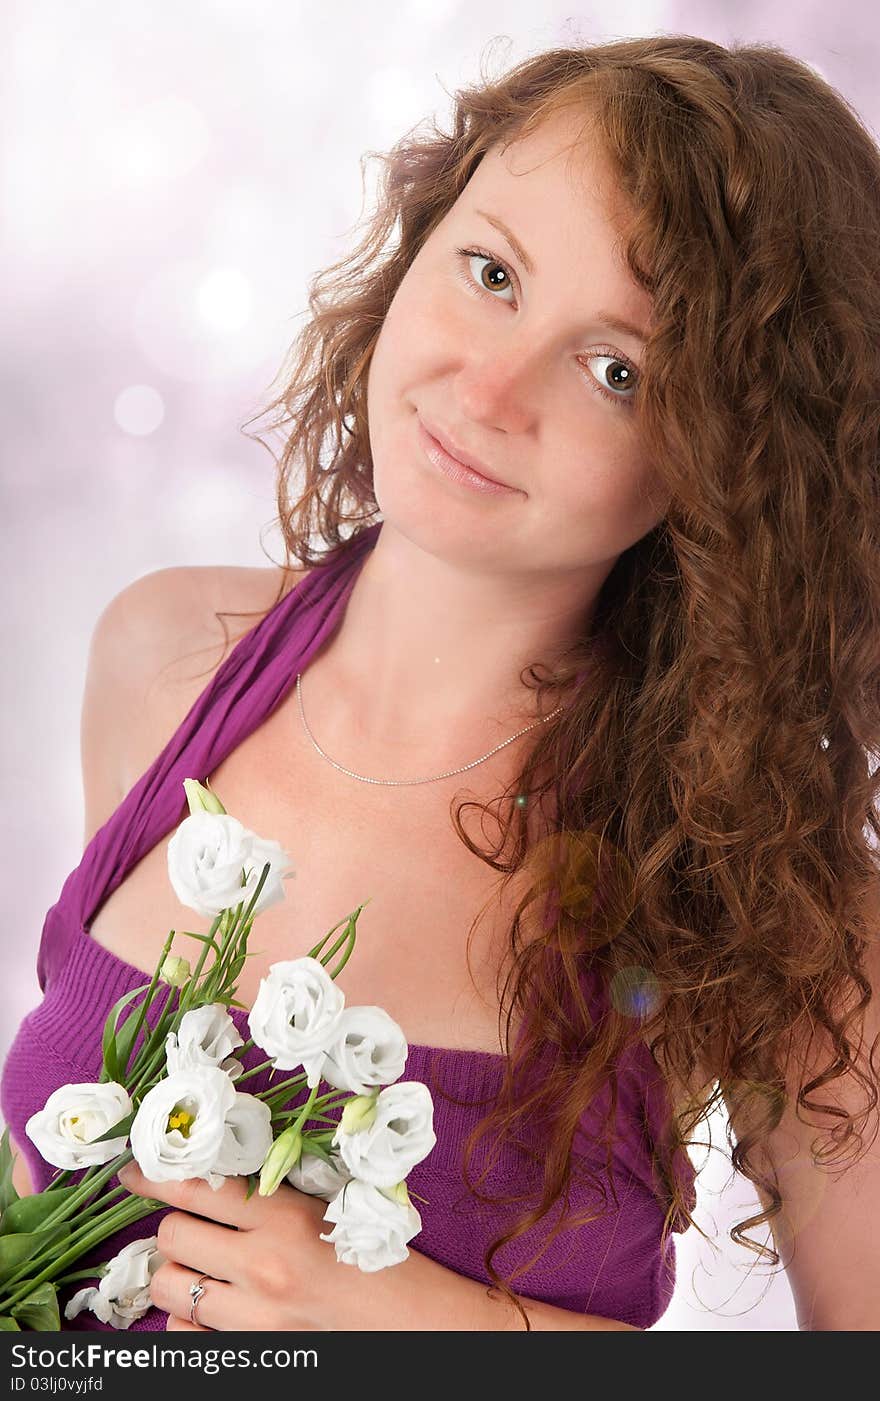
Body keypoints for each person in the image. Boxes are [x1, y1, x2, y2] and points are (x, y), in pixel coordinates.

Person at [3, 33, 880, 1333]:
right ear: (422, 234)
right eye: (492, 272)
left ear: (732, 466)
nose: (489, 387)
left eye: (617, 369)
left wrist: (421, 1321)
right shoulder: (164, 658)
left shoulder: (778, 907)